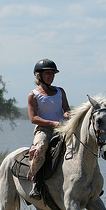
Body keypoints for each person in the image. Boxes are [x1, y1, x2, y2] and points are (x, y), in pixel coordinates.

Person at [27, 59, 70, 200]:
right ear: (39, 75)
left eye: (53, 73)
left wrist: (67, 114)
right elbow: (33, 118)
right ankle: (35, 184)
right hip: (44, 130)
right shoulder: (33, 95)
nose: (51, 76)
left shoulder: (60, 91)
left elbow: (66, 109)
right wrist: (51, 123)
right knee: (40, 149)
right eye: (48, 73)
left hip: (62, 128)